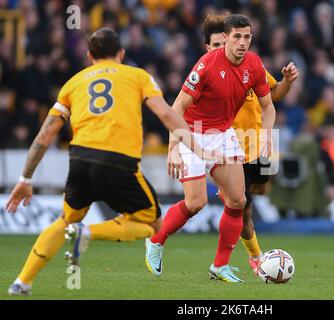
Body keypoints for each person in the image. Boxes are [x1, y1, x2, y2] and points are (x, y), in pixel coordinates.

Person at [5, 28, 209, 296]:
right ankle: (87, 233)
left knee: (65, 219)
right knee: (153, 226)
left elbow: (45, 135)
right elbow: (166, 115)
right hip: (118, 162)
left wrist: (25, 179)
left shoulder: (73, 82)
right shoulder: (138, 76)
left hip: (79, 160)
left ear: (90, 56)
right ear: (121, 54)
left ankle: (22, 281)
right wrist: (198, 148)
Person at [145, 14, 276, 283]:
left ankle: (219, 266)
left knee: (238, 200)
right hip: (193, 133)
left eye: (247, 37)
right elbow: (177, 108)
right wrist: (172, 148)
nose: (242, 42)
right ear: (226, 38)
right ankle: (156, 240)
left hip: (223, 134)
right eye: (237, 37)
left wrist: (266, 134)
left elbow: (268, 105)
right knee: (196, 203)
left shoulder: (254, 63)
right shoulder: (206, 66)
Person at [200, 14, 299, 273]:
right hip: (230, 149)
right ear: (208, 48)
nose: (223, 50)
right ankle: (253, 258)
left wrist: (287, 81)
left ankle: (238, 207)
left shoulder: (251, 66)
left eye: (244, 38)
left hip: (258, 144)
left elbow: (273, 95)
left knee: (259, 191)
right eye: (216, 46)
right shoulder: (206, 73)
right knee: (241, 205)